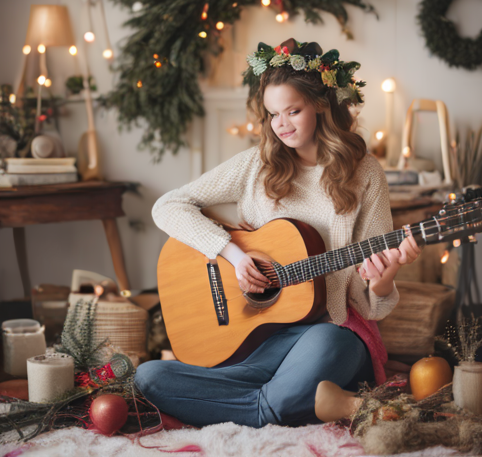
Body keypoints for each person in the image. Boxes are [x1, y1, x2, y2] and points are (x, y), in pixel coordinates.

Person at [134, 38, 421, 428]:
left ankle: (258, 406)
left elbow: (368, 303)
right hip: (257, 340)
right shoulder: (256, 165)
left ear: (321, 104)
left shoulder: (365, 173)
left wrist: (382, 281)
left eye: (293, 110)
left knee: (333, 344)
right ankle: (272, 405)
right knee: (149, 376)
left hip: (327, 332)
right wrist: (233, 254)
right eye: (272, 114)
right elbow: (167, 206)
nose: (281, 124)